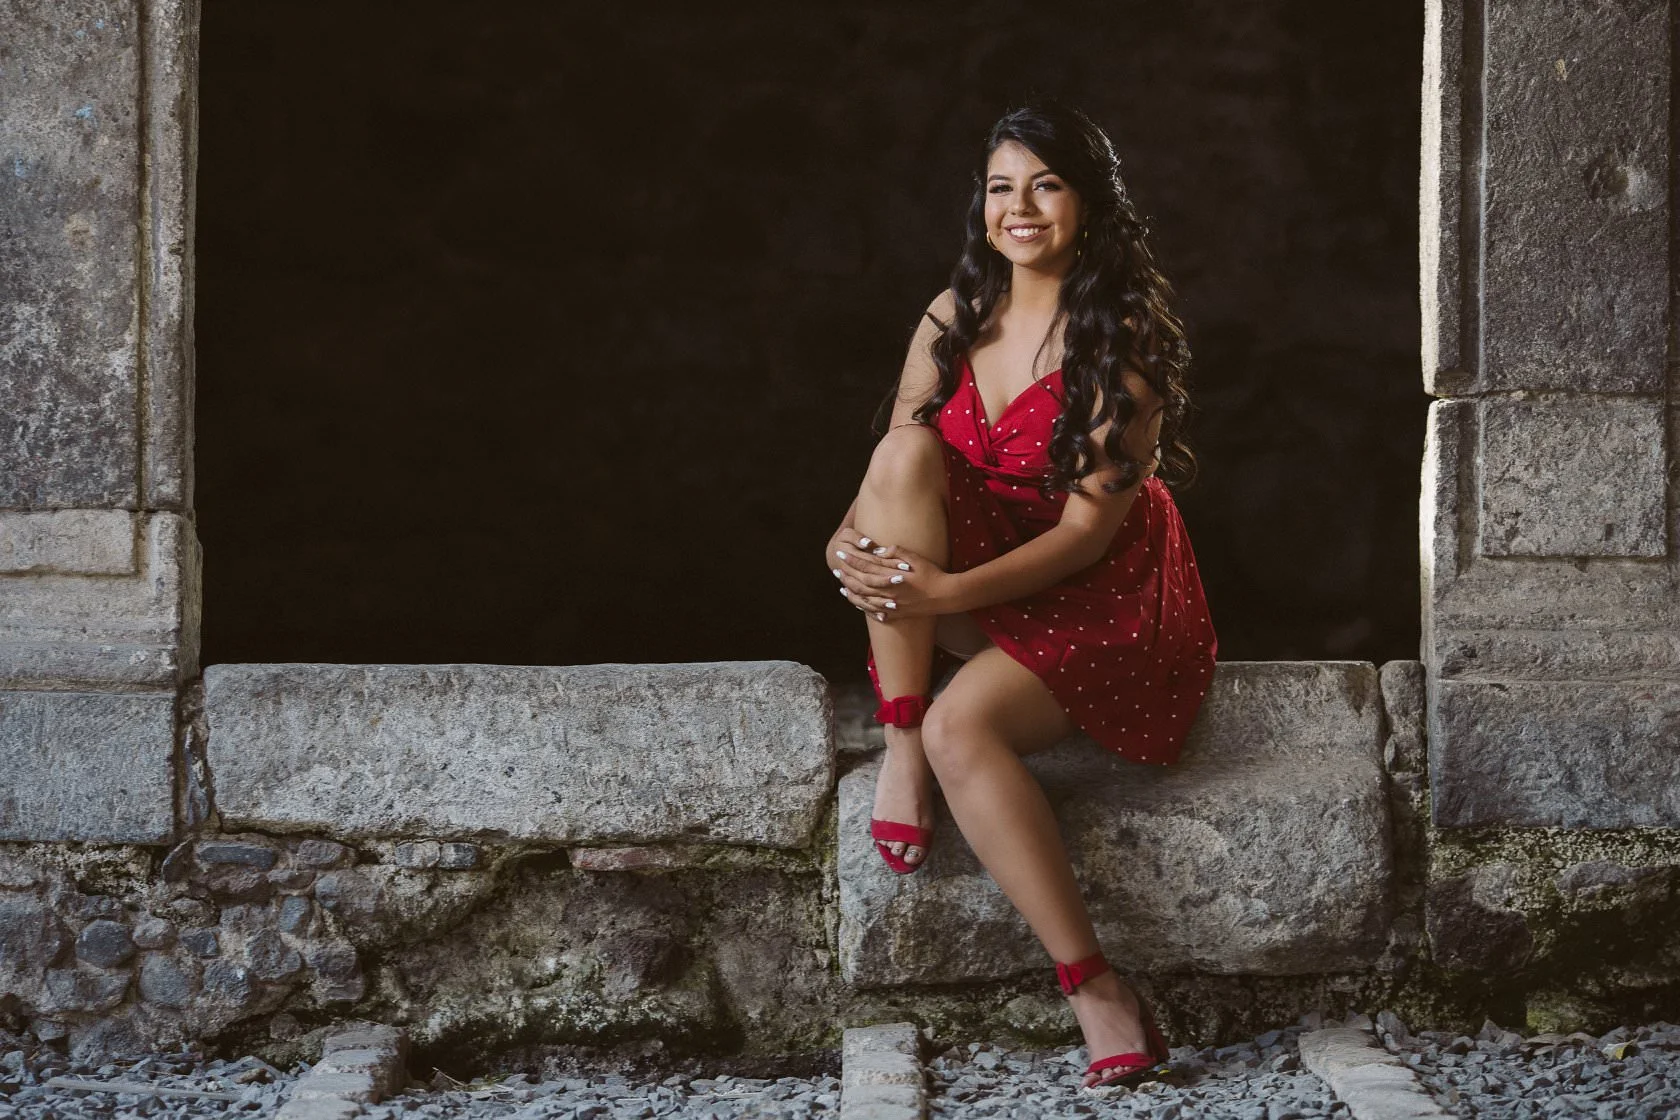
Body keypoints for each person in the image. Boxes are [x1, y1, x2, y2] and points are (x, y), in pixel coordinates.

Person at [823, 98, 1218, 1095]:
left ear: (1088, 203)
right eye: (1002, 187)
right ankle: (899, 739)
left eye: (1045, 184)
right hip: (983, 570)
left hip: (1103, 592)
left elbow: (1087, 533)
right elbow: (893, 473)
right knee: (909, 448)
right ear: (983, 207)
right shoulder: (953, 314)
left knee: (972, 731)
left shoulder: (1118, 336)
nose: (1021, 207)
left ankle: (1095, 989)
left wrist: (946, 587)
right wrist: (845, 538)